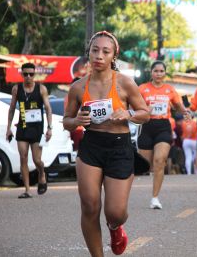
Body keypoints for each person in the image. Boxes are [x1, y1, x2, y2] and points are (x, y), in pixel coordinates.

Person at [63, 31, 150, 256]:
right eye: (95, 50)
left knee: (115, 212)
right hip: (91, 145)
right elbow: (67, 121)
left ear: (114, 56)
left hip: (119, 147)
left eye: (105, 51)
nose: (99, 55)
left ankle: (115, 228)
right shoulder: (78, 87)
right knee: (90, 206)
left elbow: (145, 113)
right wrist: (77, 121)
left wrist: (128, 114)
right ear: (88, 53)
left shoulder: (125, 83)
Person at [138, 60, 189, 209]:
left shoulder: (170, 90)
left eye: (161, 71)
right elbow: (133, 105)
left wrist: (185, 113)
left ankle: (155, 198)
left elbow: (179, 106)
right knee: (145, 165)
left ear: (165, 73)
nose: (159, 74)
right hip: (146, 126)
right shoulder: (142, 88)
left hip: (163, 127)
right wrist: (143, 110)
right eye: (156, 71)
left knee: (160, 161)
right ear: (151, 73)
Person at [6, 62, 52, 199]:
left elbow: (49, 109)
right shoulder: (16, 89)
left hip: (37, 129)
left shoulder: (41, 89)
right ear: (21, 74)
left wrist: (49, 128)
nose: (28, 77)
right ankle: (27, 189)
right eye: (25, 74)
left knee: (37, 160)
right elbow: (12, 109)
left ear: (34, 74)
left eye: (31, 74)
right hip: (22, 127)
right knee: (23, 157)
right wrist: (8, 128)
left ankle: (41, 174)